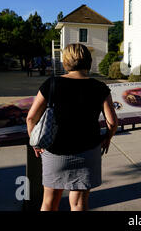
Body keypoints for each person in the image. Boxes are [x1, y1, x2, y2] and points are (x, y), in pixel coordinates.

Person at [26, 43, 118, 211]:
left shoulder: (51, 84)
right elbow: (112, 122)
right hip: (88, 152)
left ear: (65, 62)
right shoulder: (100, 87)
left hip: (55, 152)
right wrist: (108, 138)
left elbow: (31, 118)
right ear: (89, 62)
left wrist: (36, 143)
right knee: (78, 204)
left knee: (49, 202)